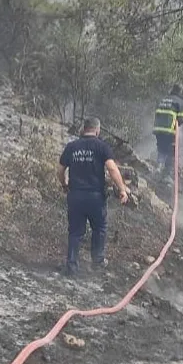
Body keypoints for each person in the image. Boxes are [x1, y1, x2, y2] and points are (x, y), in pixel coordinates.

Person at [57, 117, 130, 276]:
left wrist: (64, 185)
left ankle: (72, 266)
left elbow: (60, 170)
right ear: (97, 130)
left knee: (75, 232)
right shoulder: (102, 147)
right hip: (95, 197)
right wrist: (122, 189)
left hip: (75, 195)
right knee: (99, 228)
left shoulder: (72, 146)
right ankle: (97, 263)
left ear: (84, 129)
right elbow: (111, 168)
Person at [152, 84, 183, 178]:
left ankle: (158, 167)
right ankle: (167, 175)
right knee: (171, 151)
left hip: (158, 129)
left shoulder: (163, 99)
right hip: (169, 130)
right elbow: (181, 120)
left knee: (161, 148)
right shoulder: (180, 102)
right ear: (180, 91)